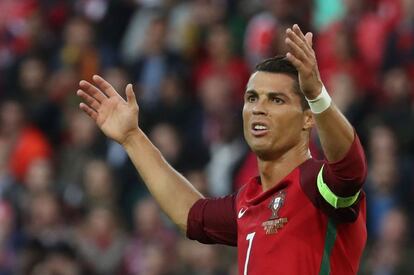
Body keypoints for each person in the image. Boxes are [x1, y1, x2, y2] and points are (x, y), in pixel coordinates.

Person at [76, 24, 367, 274]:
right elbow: (192, 214)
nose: (258, 109)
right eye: (252, 98)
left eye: (276, 100)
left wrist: (316, 93)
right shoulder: (247, 202)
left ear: (307, 119)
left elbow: (350, 168)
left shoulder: (317, 186)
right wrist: (131, 137)